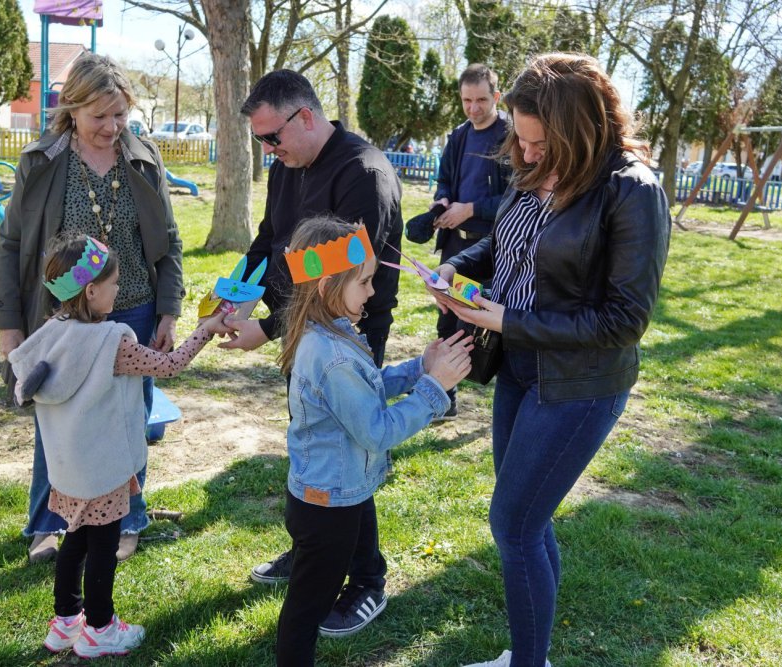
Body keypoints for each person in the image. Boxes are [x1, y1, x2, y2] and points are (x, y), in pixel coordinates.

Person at [429, 53, 671, 667]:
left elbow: (624, 321)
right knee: (528, 521)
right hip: (518, 368)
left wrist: (508, 320)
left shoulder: (631, 189)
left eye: (541, 143)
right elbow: (506, 241)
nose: (528, 154)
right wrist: (456, 267)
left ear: (581, 130)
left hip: (578, 385)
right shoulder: (532, 166)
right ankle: (528, 656)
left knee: (513, 525)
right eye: (521, 139)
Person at [224, 69, 404, 634]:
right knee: (311, 439)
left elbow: (334, 278)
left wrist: (266, 327)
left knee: (347, 451)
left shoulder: (363, 175)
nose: (268, 150)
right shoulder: (288, 165)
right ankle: (313, 553)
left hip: (349, 334)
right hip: (299, 333)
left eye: (271, 137)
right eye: (260, 141)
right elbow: (268, 240)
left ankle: (367, 579)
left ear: (304, 116)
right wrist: (232, 294)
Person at [0, 53, 186, 564]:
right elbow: (10, 244)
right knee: (58, 420)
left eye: (120, 114)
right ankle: (47, 523)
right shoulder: (41, 161)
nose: (112, 126)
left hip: (135, 312)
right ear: (71, 109)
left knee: (130, 419)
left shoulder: (144, 159)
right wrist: (8, 324)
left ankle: (128, 519)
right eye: (99, 115)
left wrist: (168, 311)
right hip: (65, 319)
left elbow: (168, 240)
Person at [8, 234, 227, 659]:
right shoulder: (113, 342)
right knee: (102, 549)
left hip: (69, 469)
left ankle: (65, 622)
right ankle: (100, 628)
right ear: (91, 291)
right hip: (104, 467)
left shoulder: (50, 335)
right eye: (114, 283)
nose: (119, 289)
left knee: (74, 540)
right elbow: (170, 365)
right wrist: (205, 331)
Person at [274, 217, 472, 666]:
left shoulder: (329, 332)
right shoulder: (333, 355)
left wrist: (420, 368)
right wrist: (434, 389)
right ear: (327, 284)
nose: (372, 291)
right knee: (307, 608)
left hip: (331, 493)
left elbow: (369, 388)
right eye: (363, 282)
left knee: (309, 598)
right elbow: (377, 431)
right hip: (329, 507)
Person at [429, 63, 512, 419]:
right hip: (455, 247)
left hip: (491, 251)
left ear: (496, 97)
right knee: (448, 318)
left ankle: (506, 400)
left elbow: (515, 197)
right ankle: (445, 395)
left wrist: (471, 209)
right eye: (467, 100)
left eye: (481, 100)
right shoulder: (458, 136)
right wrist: (442, 201)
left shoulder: (512, 137)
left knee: (483, 322)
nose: (473, 108)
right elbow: (444, 180)